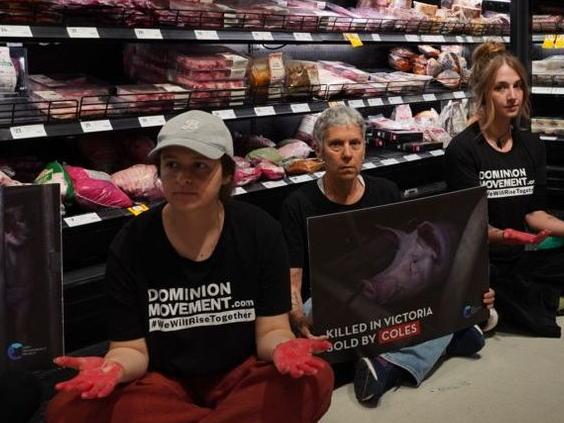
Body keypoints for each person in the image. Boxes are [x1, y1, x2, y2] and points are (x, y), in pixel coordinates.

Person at [47, 110, 334, 423]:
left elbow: (272, 331)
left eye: (199, 166)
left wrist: (282, 347)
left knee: (315, 377)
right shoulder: (132, 241)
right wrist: (113, 367)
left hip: (240, 372)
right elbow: (131, 350)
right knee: (68, 408)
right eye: (172, 165)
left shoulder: (260, 231)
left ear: (227, 174)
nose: (183, 177)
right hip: (163, 381)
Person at [280, 105, 495, 405]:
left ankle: (387, 365)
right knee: (322, 313)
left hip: (387, 297)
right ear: (319, 150)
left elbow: (411, 267)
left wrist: (473, 294)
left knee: (433, 301)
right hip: (330, 304)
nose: (346, 153)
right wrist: (298, 319)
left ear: (365, 147)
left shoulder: (385, 192)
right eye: (336, 144)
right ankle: (448, 338)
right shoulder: (299, 204)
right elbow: (293, 281)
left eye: (354, 143)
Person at [445, 41, 564, 337]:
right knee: (542, 325)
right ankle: (528, 301)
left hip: (522, 256)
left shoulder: (531, 146)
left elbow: (535, 213)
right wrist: (506, 236)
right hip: (482, 262)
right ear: (484, 92)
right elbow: (469, 228)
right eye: (501, 88)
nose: (512, 96)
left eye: (517, 86)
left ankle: (533, 299)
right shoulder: (463, 150)